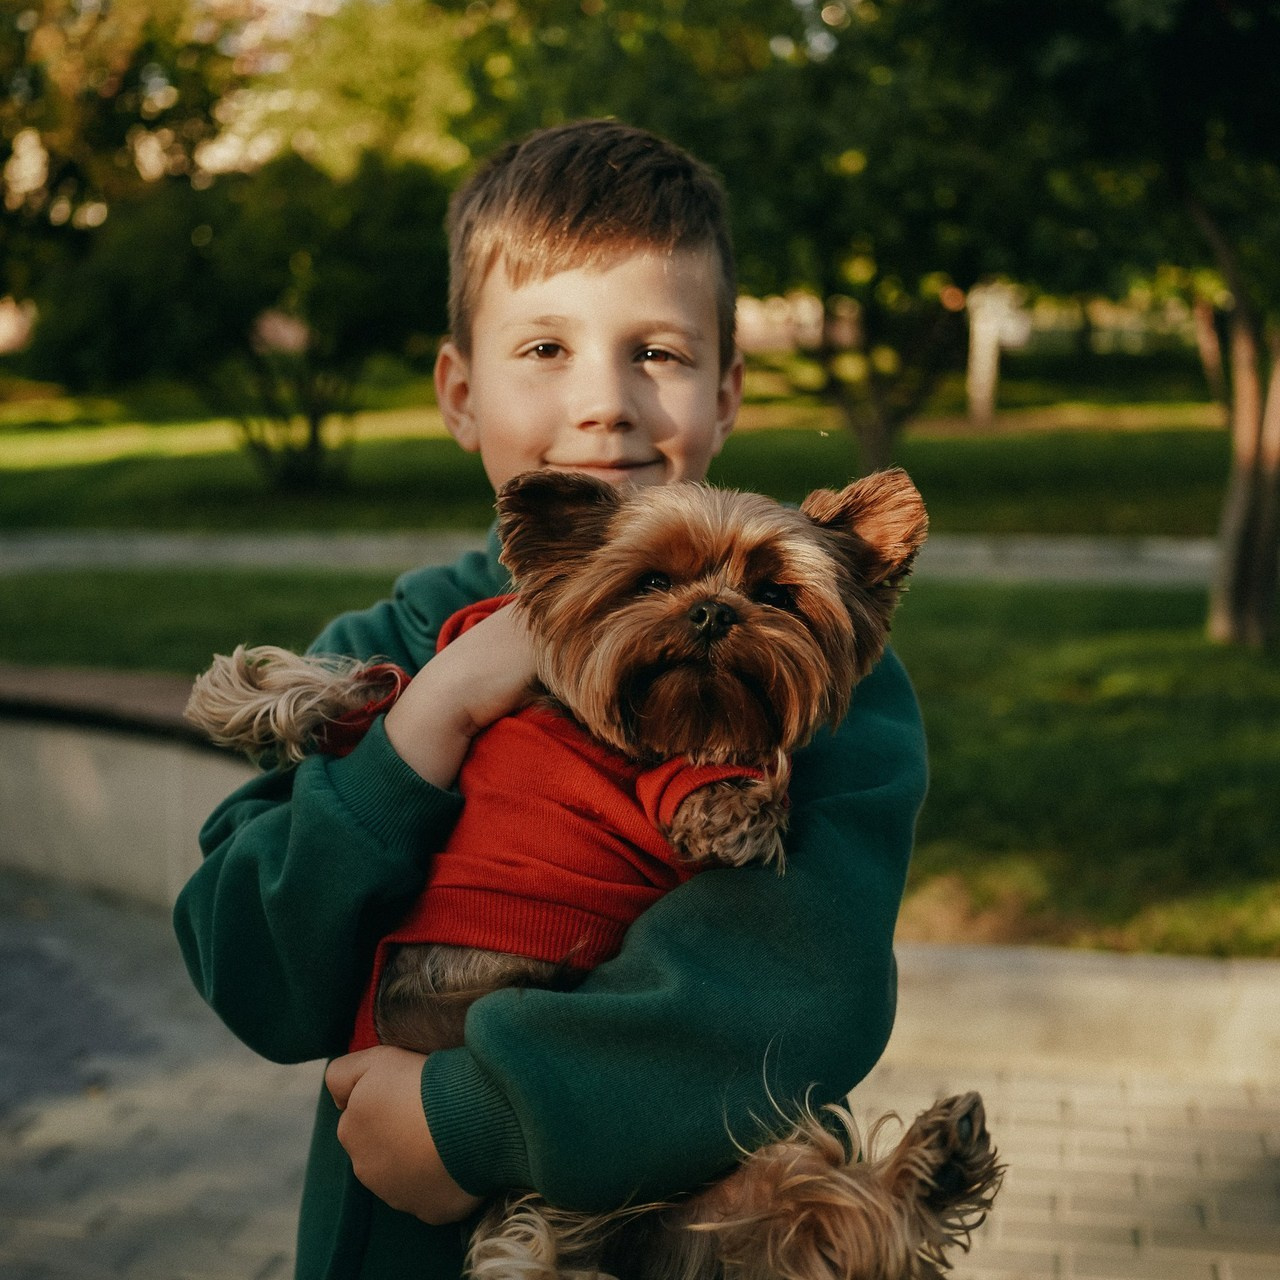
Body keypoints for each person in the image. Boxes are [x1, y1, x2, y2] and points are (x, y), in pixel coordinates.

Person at [173, 119, 928, 1280]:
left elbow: (793, 980)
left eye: (658, 353)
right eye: (543, 350)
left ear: (726, 391)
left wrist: (478, 1113)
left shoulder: (814, 671)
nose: (605, 404)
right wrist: (427, 718)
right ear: (459, 393)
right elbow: (252, 970)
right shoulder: (395, 643)